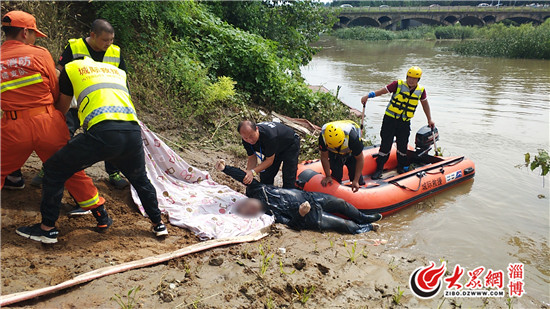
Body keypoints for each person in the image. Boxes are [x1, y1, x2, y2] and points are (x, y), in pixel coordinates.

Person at [16, 56, 168, 244]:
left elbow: (61, 110)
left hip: (103, 133)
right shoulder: (115, 72)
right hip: (132, 132)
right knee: (140, 179)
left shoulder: (71, 69)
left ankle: (46, 228)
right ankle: (158, 224)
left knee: (54, 169)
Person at [1, 11, 107, 243]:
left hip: (13, 124)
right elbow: (55, 88)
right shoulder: (40, 54)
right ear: (25, 32)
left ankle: (17, 185)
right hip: (48, 121)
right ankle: (100, 213)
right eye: (34, 35)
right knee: (69, 169)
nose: (35, 40)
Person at [30, 18, 129, 190]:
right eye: (105, 40)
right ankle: (48, 168)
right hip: (74, 103)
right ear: (93, 35)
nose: (109, 44)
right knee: (61, 135)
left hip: (103, 105)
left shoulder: (116, 52)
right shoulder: (75, 47)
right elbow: (59, 70)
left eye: (111, 40)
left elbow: (123, 81)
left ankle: (113, 172)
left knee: (112, 136)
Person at [216, 160, 382, 234]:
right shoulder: (271, 215)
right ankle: (366, 228)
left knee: (341, 203)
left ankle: (364, 217)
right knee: (346, 225)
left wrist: (225, 168)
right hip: (311, 216)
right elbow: (293, 225)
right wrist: (301, 213)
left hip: (311, 196)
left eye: (246, 205)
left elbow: (241, 175)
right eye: (249, 211)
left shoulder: (256, 189)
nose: (250, 207)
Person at [361, 66, 435, 180]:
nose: (411, 80)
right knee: (385, 145)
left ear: (418, 80)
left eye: (414, 79)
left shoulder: (421, 91)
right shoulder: (397, 84)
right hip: (390, 120)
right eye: (409, 77)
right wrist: (368, 96)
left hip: (404, 123)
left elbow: (425, 104)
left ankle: (401, 167)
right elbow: (382, 91)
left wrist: (429, 119)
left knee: (402, 146)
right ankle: (379, 169)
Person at [238, 120, 300, 189]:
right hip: (274, 148)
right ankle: (267, 195)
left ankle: (289, 197)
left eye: (251, 136)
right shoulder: (246, 140)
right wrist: (248, 173)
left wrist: (253, 172)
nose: (249, 140)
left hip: (289, 144)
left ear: (257, 129)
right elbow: (252, 157)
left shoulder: (269, 136)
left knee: (288, 176)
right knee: (266, 176)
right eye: (245, 138)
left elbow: (269, 161)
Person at [319, 120, 365, 192]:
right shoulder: (323, 137)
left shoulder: (352, 138)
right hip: (334, 154)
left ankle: (358, 186)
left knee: (357, 177)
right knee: (336, 175)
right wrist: (328, 176)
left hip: (350, 152)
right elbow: (324, 157)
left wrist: (356, 181)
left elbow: (360, 159)